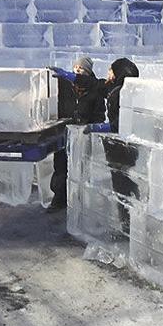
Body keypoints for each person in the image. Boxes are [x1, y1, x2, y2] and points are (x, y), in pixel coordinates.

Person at [86, 57, 140, 235]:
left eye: (111, 70)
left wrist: (99, 127)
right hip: (121, 147)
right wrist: (71, 76)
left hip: (123, 148)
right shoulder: (115, 88)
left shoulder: (121, 93)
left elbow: (120, 123)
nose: (108, 73)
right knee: (122, 184)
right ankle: (128, 223)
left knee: (123, 185)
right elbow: (95, 84)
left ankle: (129, 226)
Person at [47, 57, 104, 212]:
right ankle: (58, 199)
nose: (77, 70)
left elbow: (99, 113)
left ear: (88, 71)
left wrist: (92, 128)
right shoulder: (65, 85)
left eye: (82, 68)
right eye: (76, 67)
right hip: (64, 132)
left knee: (80, 168)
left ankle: (79, 202)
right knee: (60, 166)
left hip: (82, 135)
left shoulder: (95, 88)